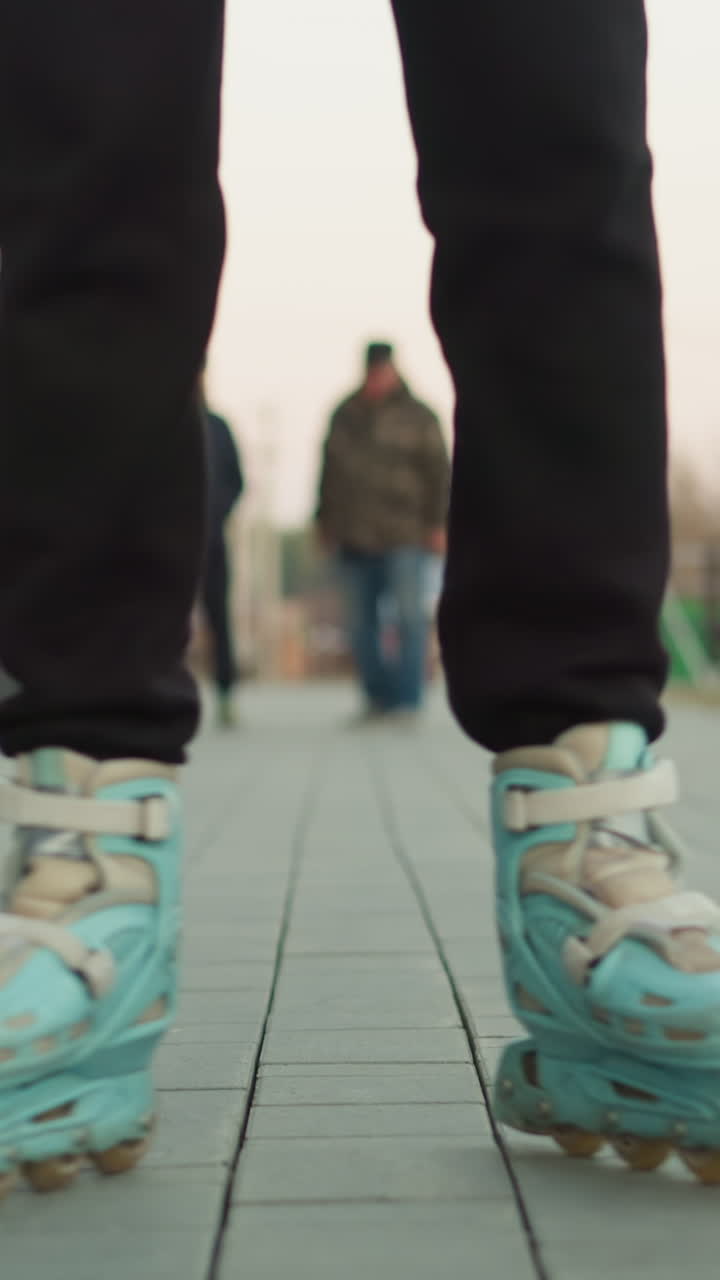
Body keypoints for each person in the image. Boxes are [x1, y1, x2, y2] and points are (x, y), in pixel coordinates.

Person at [0, 0, 718, 1201]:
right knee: (85, 139)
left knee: (556, 127)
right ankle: (92, 839)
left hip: (409, 533)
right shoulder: (350, 414)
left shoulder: (392, 414)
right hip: (362, 536)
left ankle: (584, 822)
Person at [316, 341, 449, 722]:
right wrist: (324, 522)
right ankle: (377, 698)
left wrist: (437, 524)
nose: (377, 379)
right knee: (360, 623)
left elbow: (438, 472)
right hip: (353, 535)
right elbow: (328, 473)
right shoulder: (345, 414)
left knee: (409, 618)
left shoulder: (419, 415)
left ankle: (407, 700)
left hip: (405, 533)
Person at [201, 394, 244, 727]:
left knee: (219, 619)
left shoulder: (216, 427)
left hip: (211, 539)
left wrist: (217, 512)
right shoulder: (155, 426)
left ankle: (227, 694)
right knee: (160, 623)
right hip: (165, 542)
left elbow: (235, 481)